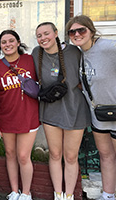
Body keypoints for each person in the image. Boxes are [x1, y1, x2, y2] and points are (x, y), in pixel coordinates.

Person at [65, 15, 116, 200]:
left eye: (81, 30)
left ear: (91, 30)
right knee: (106, 156)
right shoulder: (80, 53)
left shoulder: (109, 48)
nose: (77, 34)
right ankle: (108, 195)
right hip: (99, 114)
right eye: (72, 31)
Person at [31, 22, 91, 200]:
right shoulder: (36, 53)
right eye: (39, 35)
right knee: (55, 154)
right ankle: (58, 194)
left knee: (71, 156)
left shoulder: (74, 52)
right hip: (50, 110)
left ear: (56, 33)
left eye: (47, 33)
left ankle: (69, 195)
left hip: (74, 108)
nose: (43, 38)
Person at [0, 30, 40, 200]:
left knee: (23, 156)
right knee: (10, 154)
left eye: (11, 41)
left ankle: (26, 193)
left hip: (29, 115)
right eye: (3, 42)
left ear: (18, 42)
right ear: (0, 46)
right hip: (6, 117)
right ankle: (14, 191)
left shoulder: (30, 60)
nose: (7, 45)